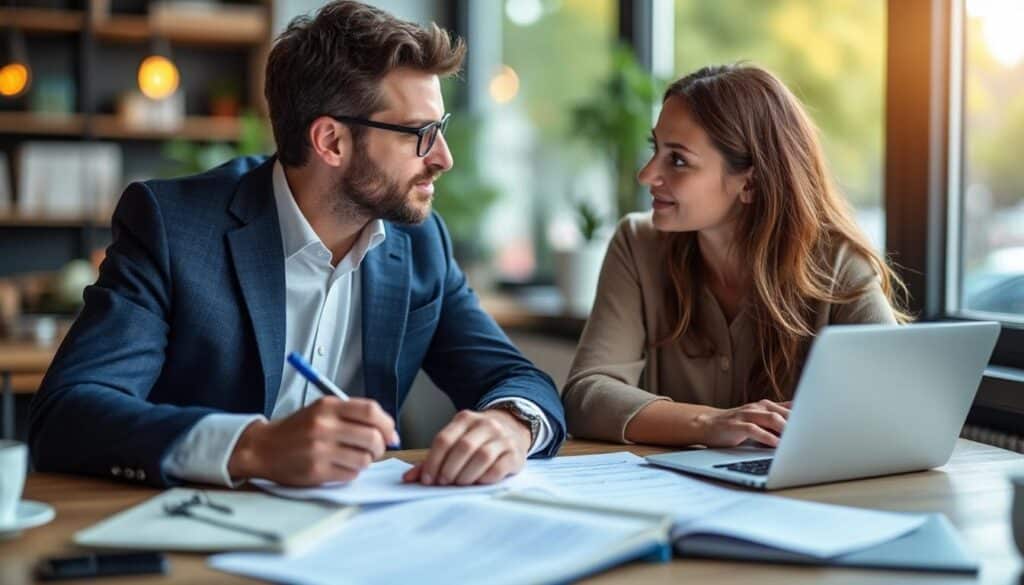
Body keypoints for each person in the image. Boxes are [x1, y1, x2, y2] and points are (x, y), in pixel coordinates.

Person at [29, 0, 565, 488]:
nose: (444, 156)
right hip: (199, 533)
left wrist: (510, 423)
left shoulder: (420, 243)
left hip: (365, 536)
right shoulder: (175, 228)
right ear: (331, 140)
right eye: (419, 134)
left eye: (440, 128)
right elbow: (68, 413)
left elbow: (514, 377)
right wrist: (254, 446)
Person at [562, 64, 909, 448]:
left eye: (677, 160)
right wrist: (710, 423)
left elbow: (895, 406)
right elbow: (586, 395)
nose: (646, 175)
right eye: (655, 150)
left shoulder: (838, 262)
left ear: (751, 182)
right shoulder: (637, 244)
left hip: (800, 498)